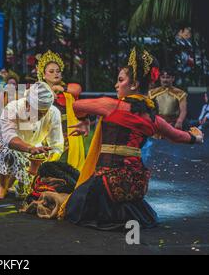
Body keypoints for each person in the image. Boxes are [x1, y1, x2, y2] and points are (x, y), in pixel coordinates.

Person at [59, 47, 203, 230]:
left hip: (106, 184)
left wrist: (85, 120)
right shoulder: (153, 119)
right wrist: (196, 137)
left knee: (74, 204)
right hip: (135, 186)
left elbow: (77, 105)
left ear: (133, 84)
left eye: (120, 80)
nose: (116, 85)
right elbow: (178, 137)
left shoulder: (111, 106)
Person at [0, 82, 64, 199]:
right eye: (37, 111)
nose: (41, 116)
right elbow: (9, 139)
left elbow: (56, 145)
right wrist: (30, 149)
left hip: (31, 149)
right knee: (9, 153)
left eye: (44, 112)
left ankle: (15, 181)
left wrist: (48, 161)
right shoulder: (12, 107)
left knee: (23, 194)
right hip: (0, 143)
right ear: (28, 104)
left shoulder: (54, 113)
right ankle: (2, 186)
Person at [37, 50, 85, 169]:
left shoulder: (67, 92)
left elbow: (77, 89)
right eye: (51, 71)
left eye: (58, 71)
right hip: (45, 135)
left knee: (65, 166)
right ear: (44, 75)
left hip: (66, 137)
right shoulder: (38, 90)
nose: (55, 74)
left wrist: (61, 88)